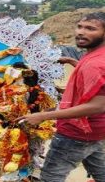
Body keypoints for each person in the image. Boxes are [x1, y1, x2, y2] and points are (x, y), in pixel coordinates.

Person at [17, 12, 105, 182]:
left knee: (51, 177)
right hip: (97, 131)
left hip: (76, 133)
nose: (81, 32)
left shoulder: (95, 64)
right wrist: (73, 63)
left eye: (90, 29)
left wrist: (43, 115)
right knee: (101, 174)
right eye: (80, 26)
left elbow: (98, 105)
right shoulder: (96, 56)